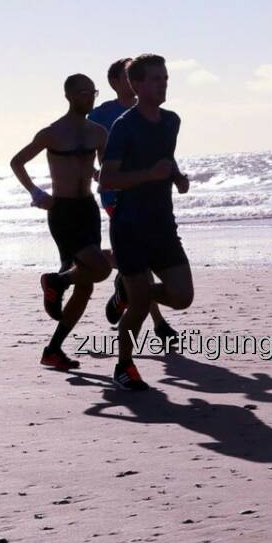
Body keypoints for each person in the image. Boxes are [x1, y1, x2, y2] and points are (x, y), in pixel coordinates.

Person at [98, 54, 194, 391]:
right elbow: (108, 179)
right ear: (135, 85)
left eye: (165, 78)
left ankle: (128, 290)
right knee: (139, 308)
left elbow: (164, 158)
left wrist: (177, 176)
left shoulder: (172, 121)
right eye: (155, 79)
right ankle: (124, 367)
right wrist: (147, 176)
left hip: (163, 224)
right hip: (129, 226)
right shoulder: (124, 125)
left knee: (182, 296)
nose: (163, 83)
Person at [10, 73, 114, 369]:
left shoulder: (98, 132)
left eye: (92, 92)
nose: (90, 97)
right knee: (101, 268)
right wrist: (35, 191)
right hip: (63, 211)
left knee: (87, 285)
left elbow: (105, 169)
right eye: (83, 93)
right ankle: (55, 281)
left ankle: (53, 349)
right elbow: (17, 161)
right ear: (69, 96)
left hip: (88, 209)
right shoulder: (52, 133)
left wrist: (103, 177)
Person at [87, 58, 178, 339]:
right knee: (141, 256)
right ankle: (158, 321)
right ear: (116, 83)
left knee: (141, 257)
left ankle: (123, 289)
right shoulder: (103, 115)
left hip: (153, 197)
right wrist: (94, 173)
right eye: (126, 77)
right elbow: (85, 150)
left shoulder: (156, 113)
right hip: (119, 194)